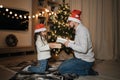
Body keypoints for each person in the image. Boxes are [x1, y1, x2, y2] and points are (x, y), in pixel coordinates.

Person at [58, 10, 97, 76]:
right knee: (61, 66)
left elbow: (84, 49)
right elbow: (79, 43)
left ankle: (87, 71)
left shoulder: (82, 31)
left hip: (86, 61)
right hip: (79, 58)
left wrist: (70, 45)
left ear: (74, 21)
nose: (68, 24)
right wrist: (70, 42)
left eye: (69, 22)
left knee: (62, 69)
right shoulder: (78, 29)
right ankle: (85, 68)